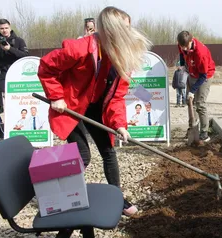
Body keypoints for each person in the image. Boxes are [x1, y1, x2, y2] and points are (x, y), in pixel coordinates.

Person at [37, 6, 152, 216]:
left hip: (96, 107)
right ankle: (57, 195)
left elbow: (117, 96)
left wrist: (119, 125)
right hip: (71, 106)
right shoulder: (80, 49)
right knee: (83, 154)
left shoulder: (121, 57)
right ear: (110, 29)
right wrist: (56, 97)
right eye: (123, 29)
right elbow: (46, 67)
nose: (128, 33)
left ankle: (118, 199)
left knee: (108, 152)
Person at [177, 31, 215, 142]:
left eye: (186, 47)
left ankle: (204, 133)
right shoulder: (182, 44)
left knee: (200, 104)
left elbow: (203, 76)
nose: (185, 49)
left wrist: (192, 91)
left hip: (205, 76)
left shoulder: (201, 53)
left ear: (191, 40)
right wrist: (183, 65)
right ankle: (192, 129)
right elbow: (181, 53)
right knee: (190, 102)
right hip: (192, 73)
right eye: (182, 47)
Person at [0, 19, 29, 114]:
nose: (4, 30)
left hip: (17, 74)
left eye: (6, 28)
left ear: (10, 27)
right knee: (4, 97)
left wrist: (10, 49)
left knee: (18, 99)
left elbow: (26, 56)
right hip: (2, 74)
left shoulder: (19, 41)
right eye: (1, 28)